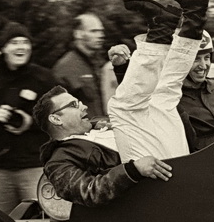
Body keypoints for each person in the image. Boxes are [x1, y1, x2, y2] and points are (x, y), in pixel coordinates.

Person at [0, 21, 61, 213]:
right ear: (4, 48)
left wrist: (31, 121)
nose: (21, 47)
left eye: (25, 42)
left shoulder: (43, 78)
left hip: (33, 165)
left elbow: (61, 112)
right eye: (14, 42)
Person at [108, 0, 209, 160]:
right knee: (129, 106)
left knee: (162, 96)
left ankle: (170, 23)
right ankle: (182, 18)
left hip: (173, 172)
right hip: (173, 175)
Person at [34, 85, 173, 207]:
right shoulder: (58, 161)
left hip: (170, 169)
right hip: (144, 201)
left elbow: (133, 104)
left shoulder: (102, 124)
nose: (84, 106)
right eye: (74, 105)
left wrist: (120, 68)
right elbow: (89, 192)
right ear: (56, 119)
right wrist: (133, 170)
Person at [52, 12, 118, 124]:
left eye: (101, 31)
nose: (101, 35)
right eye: (94, 31)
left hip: (104, 134)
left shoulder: (100, 64)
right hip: (82, 137)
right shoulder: (66, 68)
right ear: (78, 34)